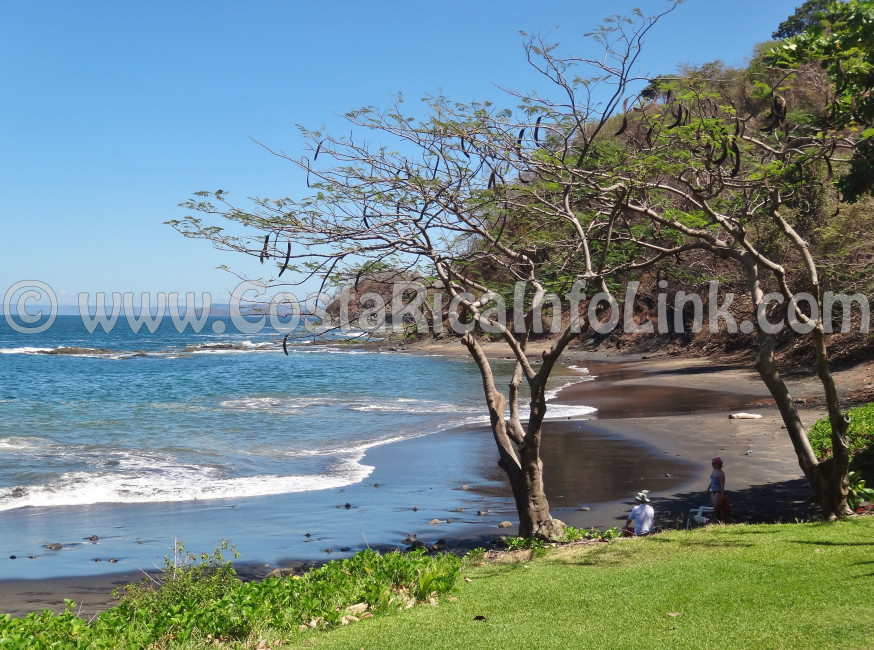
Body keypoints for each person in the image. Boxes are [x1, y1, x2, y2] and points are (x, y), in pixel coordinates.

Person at [709, 457, 727, 522]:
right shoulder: (714, 470)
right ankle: (717, 520)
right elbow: (712, 480)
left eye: (713, 463)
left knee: (718, 507)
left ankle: (722, 520)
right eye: (712, 463)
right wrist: (708, 488)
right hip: (713, 491)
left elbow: (722, 485)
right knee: (715, 507)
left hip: (718, 492)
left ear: (718, 464)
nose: (712, 464)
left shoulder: (721, 473)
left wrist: (722, 495)